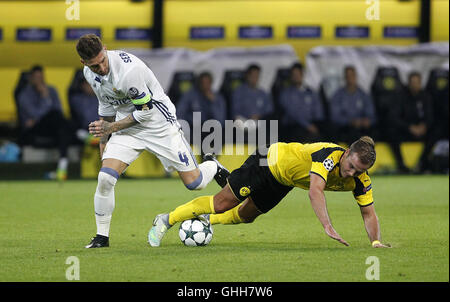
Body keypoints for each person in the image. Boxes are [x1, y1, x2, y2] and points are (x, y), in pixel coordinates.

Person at [76, 34, 229, 248]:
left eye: (102, 61)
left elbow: (146, 112)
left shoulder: (129, 71)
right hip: (126, 127)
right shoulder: (89, 74)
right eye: (94, 65)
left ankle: (212, 164)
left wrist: (112, 128)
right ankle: (102, 237)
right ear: (84, 63)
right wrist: (104, 141)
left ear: (106, 49)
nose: (100, 68)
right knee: (105, 179)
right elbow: (107, 106)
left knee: (195, 183)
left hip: (158, 124)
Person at [149, 136, 391, 249]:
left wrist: (376, 241)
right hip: (269, 160)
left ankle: (208, 208)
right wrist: (327, 225)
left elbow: (369, 213)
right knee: (223, 203)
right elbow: (316, 191)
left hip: (284, 181)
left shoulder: (359, 180)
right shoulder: (329, 156)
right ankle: (166, 219)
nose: (351, 174)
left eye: (358, 171)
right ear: (347, 152)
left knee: (246, 215)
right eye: (350, 167)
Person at [17, 65, 73, 181]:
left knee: (59, 122)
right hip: (37, 129)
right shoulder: (24, 95)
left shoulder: (52, 90)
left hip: (54, 125)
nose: (39, 80)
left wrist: (41, 113)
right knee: (56, 118)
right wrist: (45, 98)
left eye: (41, 77)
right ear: (31, 78)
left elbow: (59, 110)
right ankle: (80, 134)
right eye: (36, 77)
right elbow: (36, 114)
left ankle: (62, 169)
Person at [278, 63, 324, 143]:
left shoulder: (310, 92)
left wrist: (318, 124)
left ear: (302, 74)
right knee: (302, 135)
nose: (296, 76)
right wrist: (308, 126)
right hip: (293, 126)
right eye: (294, 74)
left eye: (298, 74)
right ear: (291, 76)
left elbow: (318, 110)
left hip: (311, 124)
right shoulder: (286, 93)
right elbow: (292, 113)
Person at [329, 66, 376, 145]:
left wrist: (367, 121)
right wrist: (350, 122)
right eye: (348, 76)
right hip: (345, 128)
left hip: (361, 127)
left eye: (352, 75)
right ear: (345, 78)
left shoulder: (363, 94)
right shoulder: (338, 95)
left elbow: (371, 114)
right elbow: (335, 117)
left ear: (356, 76)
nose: (350, 78)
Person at [400, 72, 434, 173]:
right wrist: (409, 127)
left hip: (422, 131)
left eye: (417, 82)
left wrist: (424, 126)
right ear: (409, 84)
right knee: (391, 133)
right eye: (413, 82)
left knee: (435, 134)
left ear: (420, 83)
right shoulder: (402, 96)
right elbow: (395, 118)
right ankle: (401, 165)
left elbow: (430, 116)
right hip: (407, 130)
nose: (415, 85)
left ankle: (422, 163)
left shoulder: (426, 97)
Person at [68, 77, 100, 146]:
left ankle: (94, 139)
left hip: (101, 127)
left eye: (92, 84)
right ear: (82, 86)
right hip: (85, 128)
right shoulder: (77, 99)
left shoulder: (102, 98)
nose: (90, 86)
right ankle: (90, 139)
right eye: (87, 84)